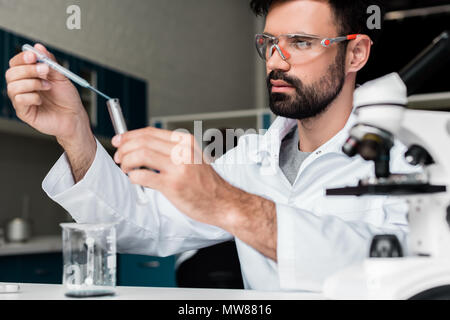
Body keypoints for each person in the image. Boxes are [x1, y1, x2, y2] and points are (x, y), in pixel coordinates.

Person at [5, 0, 417, 292]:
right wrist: (74, 130)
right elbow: (140, 226)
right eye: (270, 43)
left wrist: (227, 203)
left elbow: (404, 272)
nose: (276, 60)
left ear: (355, 53)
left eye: (302, 42)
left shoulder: (417, 154)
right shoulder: (250, 158)